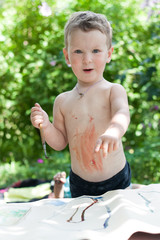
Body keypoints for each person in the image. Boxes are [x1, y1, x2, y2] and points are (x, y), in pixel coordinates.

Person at [31, 11, 131, 198]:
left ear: (109, 54)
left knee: (121, 222)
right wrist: (45, 125)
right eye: (78, 51)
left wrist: (113, 132)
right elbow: (60, 142)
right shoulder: (62, 101)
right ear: (67, 57)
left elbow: (122, 114)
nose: (87, 59)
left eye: (95, 51)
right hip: (80, 183)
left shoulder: (113, 90)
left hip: (116, 179)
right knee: (83, 224)